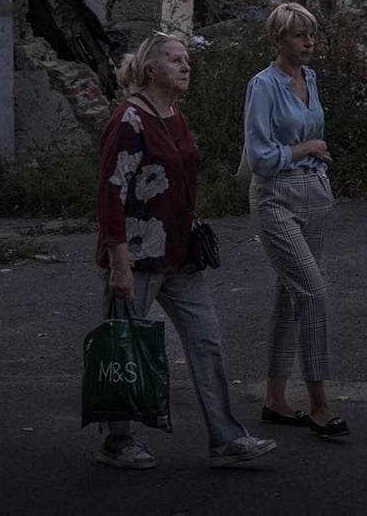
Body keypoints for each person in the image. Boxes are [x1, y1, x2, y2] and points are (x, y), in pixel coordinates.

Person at [94, 30, 275, 470]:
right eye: (175, 60)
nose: (185, 66)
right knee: (126, 347)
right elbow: (110, 192)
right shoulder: (128, 121)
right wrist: (118, 261)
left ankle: (226, 439)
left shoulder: (173, 114)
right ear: (151, 69)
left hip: (180, 254)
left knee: (206, 341)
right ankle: (117, 442)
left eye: (186, 60)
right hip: (136, 256)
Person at [242, 2, 349, 439]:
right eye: (298, 36)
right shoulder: (263, 85)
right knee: (313, 294)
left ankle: (275, 398)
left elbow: (311, 129)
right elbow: (261, 157)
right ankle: (320, 405)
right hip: (275, 198)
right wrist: (306, 150)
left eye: (311, 35)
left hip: (313, 194)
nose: (308, 43)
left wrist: (316, 163)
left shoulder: (311, 78)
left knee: (290, 296)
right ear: (278, 40)